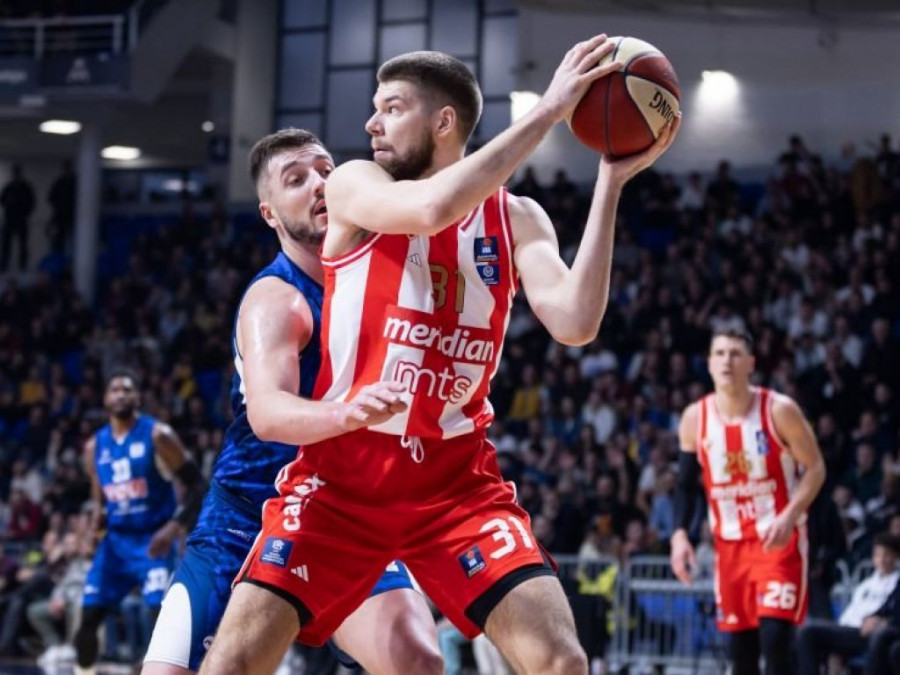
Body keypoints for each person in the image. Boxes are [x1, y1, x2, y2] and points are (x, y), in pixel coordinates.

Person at [204, 37, 679, 675]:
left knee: (561, 661)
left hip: (457, 484)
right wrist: (547, 111)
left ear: (443, 121)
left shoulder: (518, 217)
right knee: (233, 663)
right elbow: (430, 209)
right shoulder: (353, 184)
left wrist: (610, 181)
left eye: (391, 108)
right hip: (343, 480)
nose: (371, 123)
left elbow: (575, 323)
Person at [142, 129, 441, 675]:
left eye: (326, 170)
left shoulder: (382, 279)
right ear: (270, 214)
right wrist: (346, 413)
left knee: (417, 660)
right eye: (296, 179)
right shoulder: (276, 299)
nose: (320, 185)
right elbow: (269, 414)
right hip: (249, 516)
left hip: (343, 517)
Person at [670, 327, 827, 675]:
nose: (727, 360)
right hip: (730, 549)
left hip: (777, 543)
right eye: (720, 353)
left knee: (775, 644)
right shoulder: (694, 419)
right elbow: (685, 485)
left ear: (751, 363)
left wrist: (791, 515)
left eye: (735, 353)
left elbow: (816, 467)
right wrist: (679, 534)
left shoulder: (779, 410)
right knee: (741, 657)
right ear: (709, 363)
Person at [73, 369, 207, 675]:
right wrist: (93, 530)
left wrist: (173, 527)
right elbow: (100, 498)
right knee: (89, 616)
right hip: (115, 542)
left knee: (161, 616)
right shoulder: (94, 447)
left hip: (153, 540)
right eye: (115, 389)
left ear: (138, 398)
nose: (121, 394)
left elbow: (199, 486)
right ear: (105, 399)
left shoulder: (158, 435)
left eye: (127, 389)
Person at [796, 531, 900, 675]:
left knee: (880, 637)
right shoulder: (866, 584)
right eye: (878, 555)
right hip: (850, 630)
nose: (881, 560)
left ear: (896, 556)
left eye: (886, 555)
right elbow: (852, 611)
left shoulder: (897, 582)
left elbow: (891, 612)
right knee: (807, 632)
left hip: (872, 633)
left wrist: (879, 621)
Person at [0, 163, 35, 271]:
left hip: (21, 219)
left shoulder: (26, 188)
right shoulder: (9, 187)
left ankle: (22, 265)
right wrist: (9, 202)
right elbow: (2, 200)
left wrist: (25, 212)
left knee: (22, 244)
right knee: (6, 243)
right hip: (10, 218)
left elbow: (31, 202)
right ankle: (4, 264)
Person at [47, 159, 76, 255]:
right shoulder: (59, 182)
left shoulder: (75, 182)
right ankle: (59, 257)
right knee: (59, 239)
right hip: (60, 215)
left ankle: (71, 258)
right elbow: (51, 197)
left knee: (73, 239)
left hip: (72, 215)